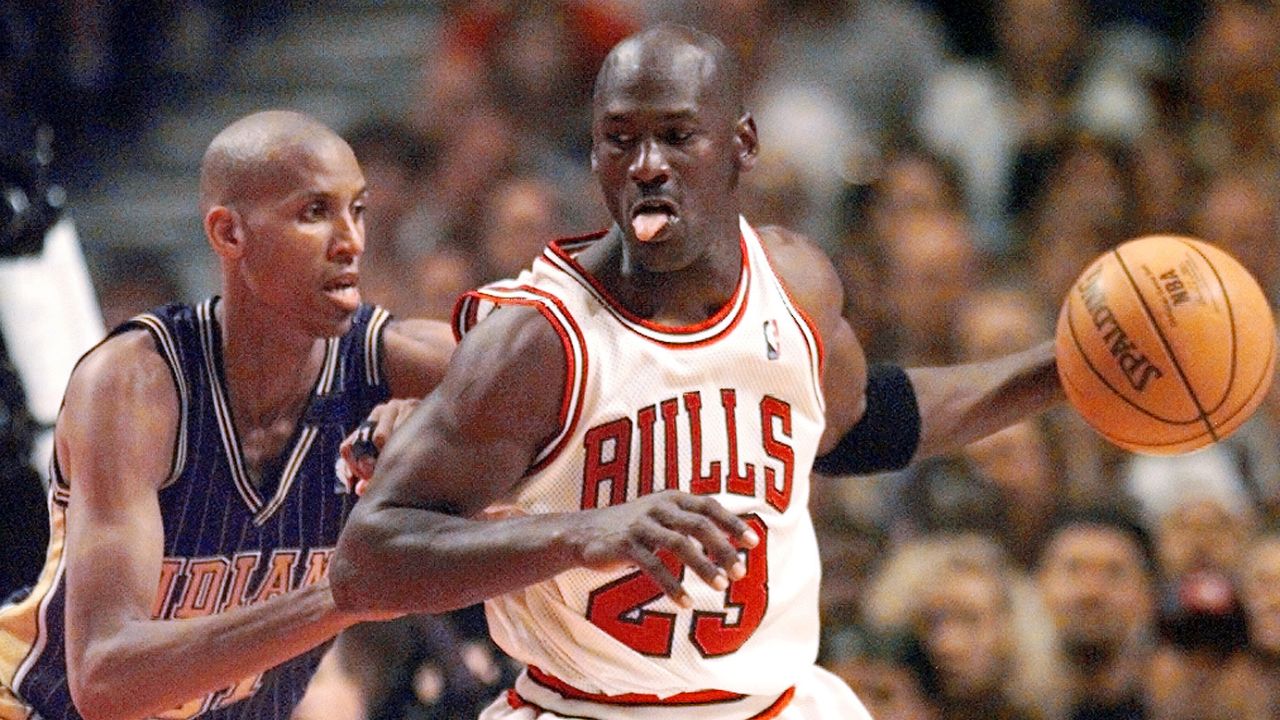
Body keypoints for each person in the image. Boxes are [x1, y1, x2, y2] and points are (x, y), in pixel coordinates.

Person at [331, 24, 1062, 719]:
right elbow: (368, 562)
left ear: (741, 144)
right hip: (585, 707)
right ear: (594, 157)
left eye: (677, 136)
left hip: (773, 704)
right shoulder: (536, 341)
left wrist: (1060, 371)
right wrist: (580, 534)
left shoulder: (796, 284)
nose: (648, 163)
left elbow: (865, 421)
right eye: (620, 139)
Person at [0, 110, 456, 720]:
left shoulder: (391, 361)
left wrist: (436, 424)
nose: (351, 241)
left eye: (358, 210)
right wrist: (348, 595)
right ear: (229, 234)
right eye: (315, 212)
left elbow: (562, 375)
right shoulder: (138, 383)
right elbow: (105, 679)